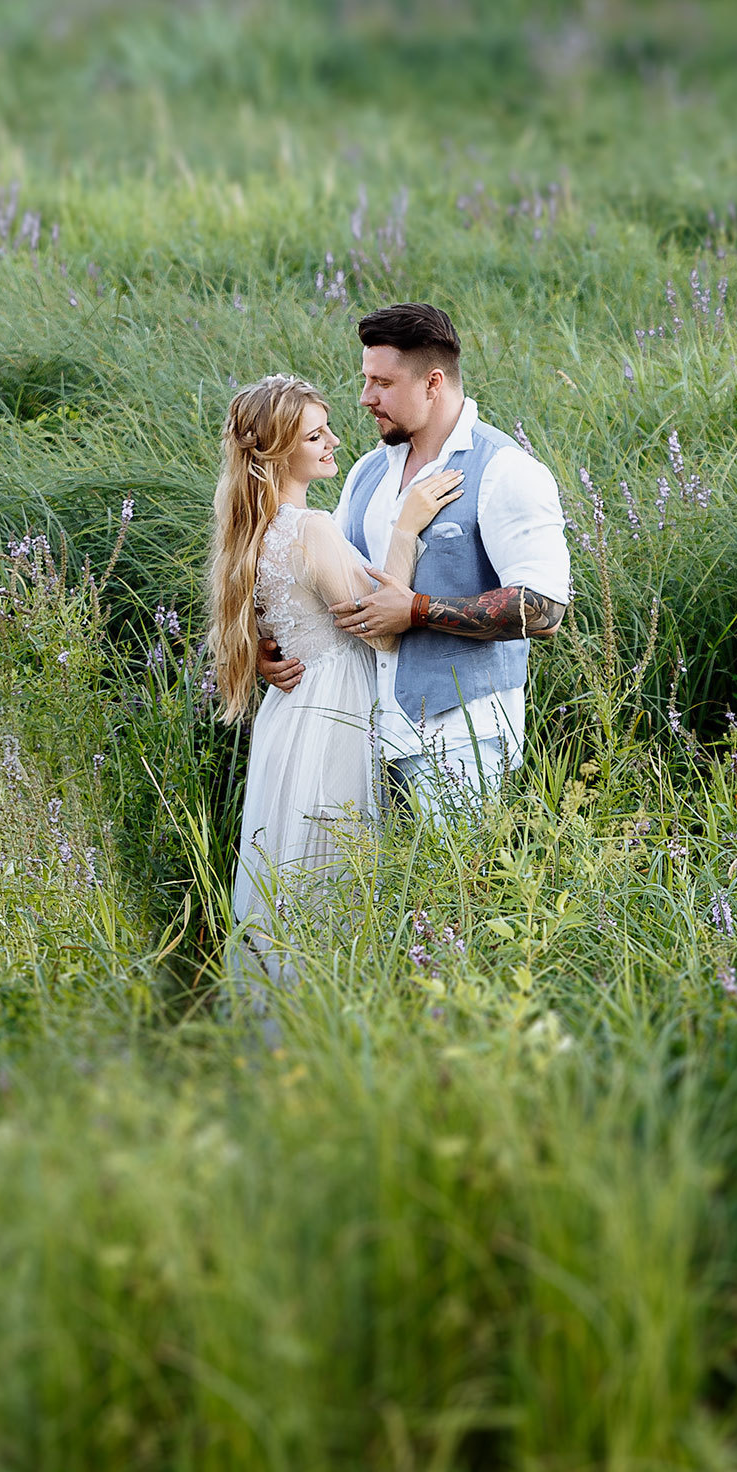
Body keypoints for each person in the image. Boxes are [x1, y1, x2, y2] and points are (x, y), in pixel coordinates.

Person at [254, 302, 571, 812]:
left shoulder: (506, 471)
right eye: (365, 379)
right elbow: (328, 584)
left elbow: (545, 609)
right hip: (361, 737)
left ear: (433, 383)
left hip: (458, 742)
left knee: (450, 890)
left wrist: (417, 609)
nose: (365, 398)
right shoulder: (365, 474)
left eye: (383, 383)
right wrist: (275, 649)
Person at [207, 374, 462, 974]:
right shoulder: (310, 527)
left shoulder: (254, 532)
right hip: (330, 711)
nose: (334, 443)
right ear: (275, 454)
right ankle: (326, 1007)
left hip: (291, 714)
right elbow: (378, 625)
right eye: (315, 436)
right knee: (330, 868)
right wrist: (407, 526)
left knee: (292, 867)